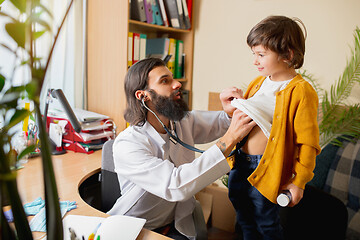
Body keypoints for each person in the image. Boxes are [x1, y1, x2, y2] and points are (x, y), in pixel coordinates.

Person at [107, 58, 256, 240]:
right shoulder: (129, 143)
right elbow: (175, 185)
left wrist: (230, 111)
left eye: (173, 78)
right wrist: (229, 139)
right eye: (165, 81)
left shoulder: (181, 122)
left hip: (173, 225)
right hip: (135, 228)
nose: (177, 84)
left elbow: (220, 123)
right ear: (143, 95)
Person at [227, 15, 321, 240]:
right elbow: (247, 120)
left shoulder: (301, 91)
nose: (255, 61)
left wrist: (298, 182)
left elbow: (307, 143)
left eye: (261, 55)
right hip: (241, 162)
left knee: (266, 222)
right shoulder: (258, 83)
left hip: (268, 168)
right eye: (254, 54)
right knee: (244, 218)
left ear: (287, 55)